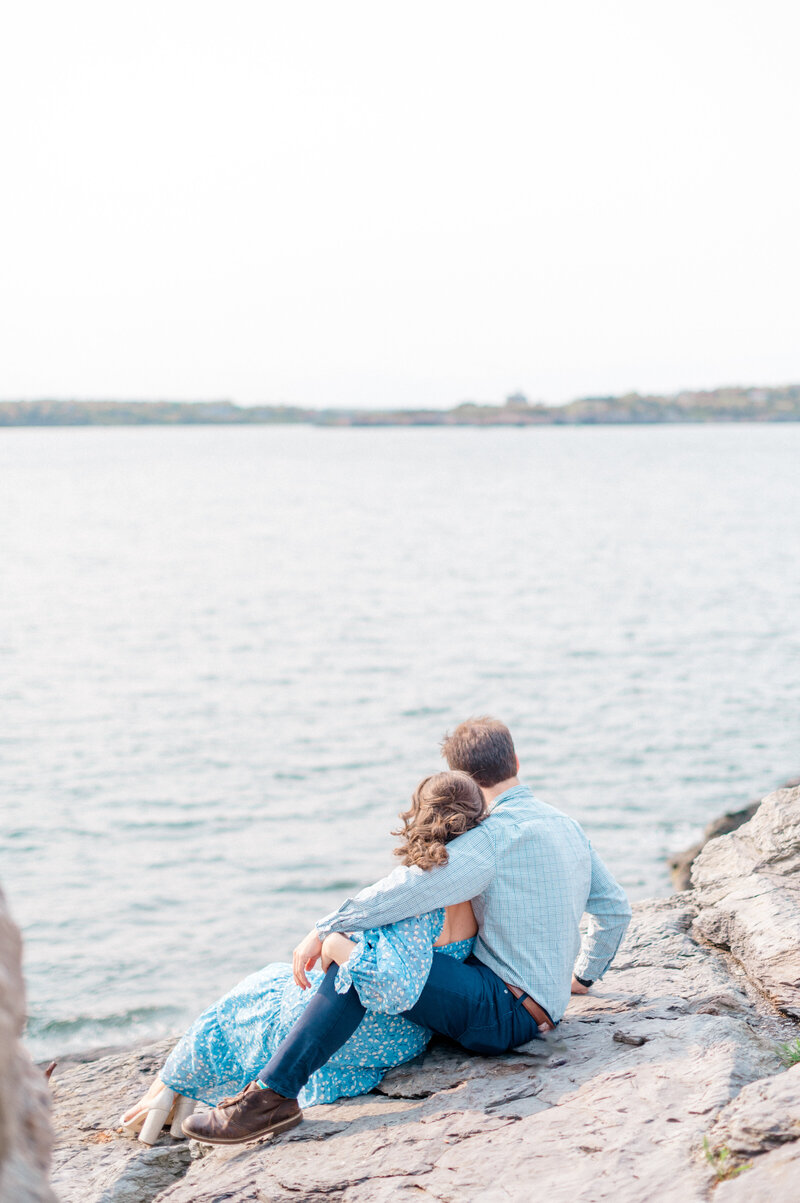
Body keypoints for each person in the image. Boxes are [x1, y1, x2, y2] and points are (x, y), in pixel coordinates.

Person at [183, 716, 633, 1145]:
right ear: (516, 763)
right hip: (537, 1007)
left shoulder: (492, 838)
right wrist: (582, 977)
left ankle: (271, 1098)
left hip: (504, 1015)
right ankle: (277, 1090)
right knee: (378, 956)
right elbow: (613, 910)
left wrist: (328, 927)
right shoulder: (566, 825)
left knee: (365, 958)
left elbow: (405, 890)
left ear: (463, 780)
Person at [119, 770, 486, 1145]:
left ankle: (173, 1087)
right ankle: (174, 1090)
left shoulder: (418, 895)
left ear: (419, 817)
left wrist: (333, 946)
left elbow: (392, 986)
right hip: (409, 1035)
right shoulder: (479, 888)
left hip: (372, 1031)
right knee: (269, 984)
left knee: (256, 997)